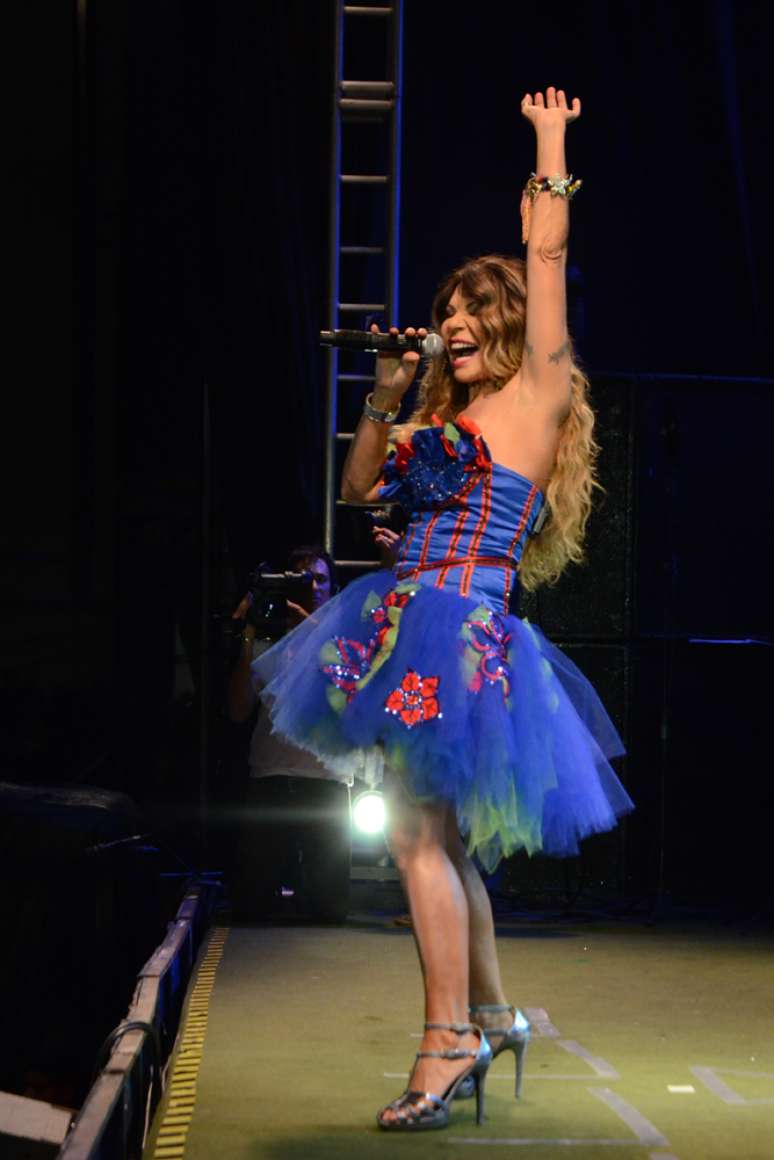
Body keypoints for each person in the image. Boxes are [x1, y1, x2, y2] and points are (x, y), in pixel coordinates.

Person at [253, 88, 633, 1130]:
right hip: (401, 619)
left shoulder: (535, 393)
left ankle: (447, 1035)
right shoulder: (440, 412)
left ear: (510, 325)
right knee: (438, 837)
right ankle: (495, 1011)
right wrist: (387, 385)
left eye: (473, 312)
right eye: (447, 311)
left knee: (419, 837)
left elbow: (546, 258)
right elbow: (357, 490)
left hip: (459, 629)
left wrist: (551, 139)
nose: (454, 323)